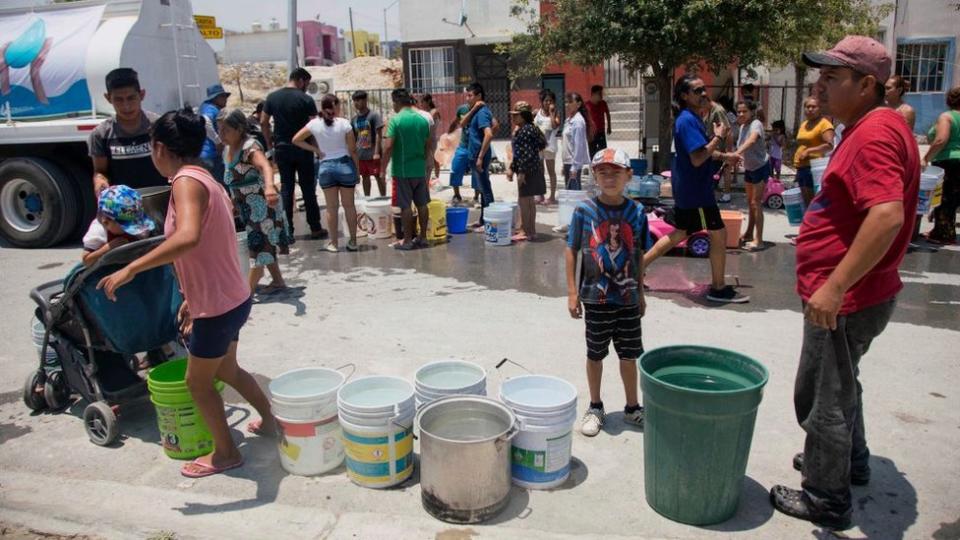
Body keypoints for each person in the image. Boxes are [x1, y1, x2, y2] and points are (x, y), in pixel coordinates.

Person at [770, 36, 920, 530]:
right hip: (858, 291)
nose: (821, 86)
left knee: (822, 398)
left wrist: (834, 286)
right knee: (842, 383)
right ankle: (847, 463)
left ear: (867, 84)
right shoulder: (869, 126)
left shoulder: (875, 133)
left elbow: (887, 216)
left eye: (833, 78)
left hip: (848, 297)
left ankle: (826, 498)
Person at [98, 108, 277, 479]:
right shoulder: (206, 178)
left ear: (159, 147)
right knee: (228, 369)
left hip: (218, 306)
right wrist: (188, 300)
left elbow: (188, 236)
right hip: (230, 298)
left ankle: (226, 453)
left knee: (197, 382)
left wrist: (131, 267)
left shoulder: (184, 182)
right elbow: (203, 249)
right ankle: (272, 420)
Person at [642, 75, 748, 304]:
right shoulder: (687, 120)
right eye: (697, 91)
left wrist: (725, 156)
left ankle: (635, 269)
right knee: (718, 233)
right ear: (684, 96)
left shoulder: (691, 119)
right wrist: (719, 137)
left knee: (679, 234)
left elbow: (701, 151)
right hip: (696, 193)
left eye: (703, 90)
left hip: (692, 189)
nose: (703, 94)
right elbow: (698, 158)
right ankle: (718, 288)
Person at [566, 148, 649, 437]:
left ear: (629, 175)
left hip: (627, 299)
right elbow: (572, 249)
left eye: (616, 172)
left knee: (629, 355)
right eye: (603, 172)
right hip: (595, 298)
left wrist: (641, 293)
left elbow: (638, 254)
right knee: (595, 354)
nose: (609, 177)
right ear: (594, 176)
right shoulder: (584, 211)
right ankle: (596, 406)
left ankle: (632, 407)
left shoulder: (637, 212)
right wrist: (572, 292)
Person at [219, 109, 291, 293]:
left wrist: (269, 187)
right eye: (219, 130)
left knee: (258, 245)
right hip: (246, 206)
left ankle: (245, 294)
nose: (221, 135)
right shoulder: (228, 149)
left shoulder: (249, 147)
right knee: (264, 240)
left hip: (262, 204)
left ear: (239, 128)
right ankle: (277, 281)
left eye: (225, 130)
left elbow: (266, 166)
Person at [261, 67, 325, 240]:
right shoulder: (306, 99)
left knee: (286, 189)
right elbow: (314, 127)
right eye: (307, 83)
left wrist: (270, 143)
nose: (307, 87)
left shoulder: (272, 97)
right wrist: (317, 149)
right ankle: (315, 228)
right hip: (303, 149)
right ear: (301, 80)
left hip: (281, 148)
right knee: (308, 188)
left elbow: (263, 121)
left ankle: (286, 231)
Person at [294, 94, 361, 252]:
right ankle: (352, 241)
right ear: (335, 106)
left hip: (326, 167)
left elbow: (296, 139)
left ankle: (334, 243)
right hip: (345, 165)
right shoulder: (344, 123)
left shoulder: (314, 124)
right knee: (349, 206)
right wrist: (357, 170)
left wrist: (316, 150)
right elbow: (352, 150)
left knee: (331, 208)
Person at [88, 68, 167, 197]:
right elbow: (100, 171)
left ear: (142, 95)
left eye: (131, 98)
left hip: (161, 201)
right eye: (119, 100)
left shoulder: (159, 127)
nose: (126, 106)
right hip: (123, 207)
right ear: (108, 98)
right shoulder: (100, 134)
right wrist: (100, 182)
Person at [380, 88, 431, 250]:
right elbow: (427, 145)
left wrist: (382, 168)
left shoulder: (396, 120)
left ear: (397, 102)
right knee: (422, 204)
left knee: (405, 206)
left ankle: (407, 240)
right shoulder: (423, 120)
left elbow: (388, 147)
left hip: (402, 170)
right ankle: (423, 237)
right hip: (419, 170)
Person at [81, 185, 156, 267]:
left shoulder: (138, 222)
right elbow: (86, 261)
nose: (134, 230)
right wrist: (107, 248)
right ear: (106, 222)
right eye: (127, 227)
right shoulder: (99, 230)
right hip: (107, 269)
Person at [923, 86, 960, 245]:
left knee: (945, 198)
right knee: (954, 198)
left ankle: (943, 234)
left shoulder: (947, 116)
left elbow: (940, 140)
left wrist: (926, 158)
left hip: (949, 162)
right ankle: (941, 230)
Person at [734, 100, 771, 251]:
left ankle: (759, 240)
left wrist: (737, 153)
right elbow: (743, 144)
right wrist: (739, 157)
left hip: (760, 167)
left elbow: (752, 139)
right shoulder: (742, 126)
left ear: (751, 112)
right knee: (750, 203)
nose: (741, 114)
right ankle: (749, 233)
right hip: (750, 168)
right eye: (739, 111)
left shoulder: (756, 124)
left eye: (744, 111)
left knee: (756, 203)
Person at [508, 101, 547, 242]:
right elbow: (541, 144)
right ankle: (532, 231)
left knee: (524, 201)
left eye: (516, 115)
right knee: (530, 201)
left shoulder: (524, 131)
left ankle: (525, 230)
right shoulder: (532, 128)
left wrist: (521, 173)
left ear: (523, 116)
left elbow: (524, 154)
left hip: (526, 172)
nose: (513, 118)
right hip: (534, 169)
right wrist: (512, 169)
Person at [793, 96, 836, 207]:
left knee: (814, 203)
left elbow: (830, 145)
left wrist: (809, 151)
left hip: (813, 168)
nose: (810, 109)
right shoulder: (804, 124)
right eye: (808, 107)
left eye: (813, 107)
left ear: (820, 108)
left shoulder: (824, 124)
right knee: (806, 203)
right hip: (801, 167)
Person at [463, 83, 495, 229]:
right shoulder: (476, 110)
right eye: (467, 95)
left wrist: (481, 156)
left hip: (478, 156)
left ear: (478, 96)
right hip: (474, 154)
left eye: (470, 95)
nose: (467, 98)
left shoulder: (482, 112)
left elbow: (489, 133)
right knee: (482, 188)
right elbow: (462, 123)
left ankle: (489, 222)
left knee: (485, 189)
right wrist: (474, 108)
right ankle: (483, 219)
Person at [350, 90, 385, 197]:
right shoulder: (354, 119)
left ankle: (383, 198)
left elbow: (379, 134)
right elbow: (353, 137)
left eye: (358, 100)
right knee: (365, 177)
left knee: (378, 176)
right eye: (354, 100)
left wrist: (376, 153)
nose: (356, 103)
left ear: (365, 100)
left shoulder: (373, 116)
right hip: (361, 154)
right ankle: (367, 198)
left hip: (373, 154)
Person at [703, 95, 734, 203]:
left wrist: (728, 153)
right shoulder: (711, 110)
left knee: (721, 173)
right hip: (714, 150)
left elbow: (728, 131)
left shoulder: (718, 111)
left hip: (719, 150)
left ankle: (726, 194)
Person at [198, 83, 230, 184]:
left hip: (205, 155)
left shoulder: (206, 106)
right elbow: (205, 121)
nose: (226, 99)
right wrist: (218, 142)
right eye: (223, 96)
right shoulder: (210, 108)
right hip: (211, 155)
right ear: (215, 98)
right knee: (220, 185)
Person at [535, 89, 562, 205]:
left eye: (550, 101)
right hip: (539, 147)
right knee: (539, 171)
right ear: (542, 101)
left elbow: (555, 125)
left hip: (550, 147)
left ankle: (552, 197)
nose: (548, 103)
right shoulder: (537, 112)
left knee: (551, 172)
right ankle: (540, 194)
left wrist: (551, 113)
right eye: (546, 100)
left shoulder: (556, 113)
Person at [561, 92, 590, 191]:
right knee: (569, 192)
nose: (567, 105)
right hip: (568, 162)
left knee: (573, 194)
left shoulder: (578, 122)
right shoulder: (568, 120)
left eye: (570, 102)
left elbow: (579, 146)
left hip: (573, 163)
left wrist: (575, 167)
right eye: (566, 102)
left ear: (578, 104)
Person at [420, 93, 442, 179]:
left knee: (435, 159)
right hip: (425, 138)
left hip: (431, 138)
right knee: (426, 160)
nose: (421, 104)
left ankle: (437, 178)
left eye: (423, 102)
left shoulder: (433, 111)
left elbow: (427, 121)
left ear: (428, 101)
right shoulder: (425, 112)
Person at [586, 85, 612, 157]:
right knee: (592, 152)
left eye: (601, 94)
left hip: (601, 132)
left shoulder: (603, 103)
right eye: (599, 94)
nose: (601, 96)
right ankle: (593, 166)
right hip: (592, 134)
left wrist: (609, 127)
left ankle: (602, 166)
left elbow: (607, 114)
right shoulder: (587, 105)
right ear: (593, 94)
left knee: (603, 151)